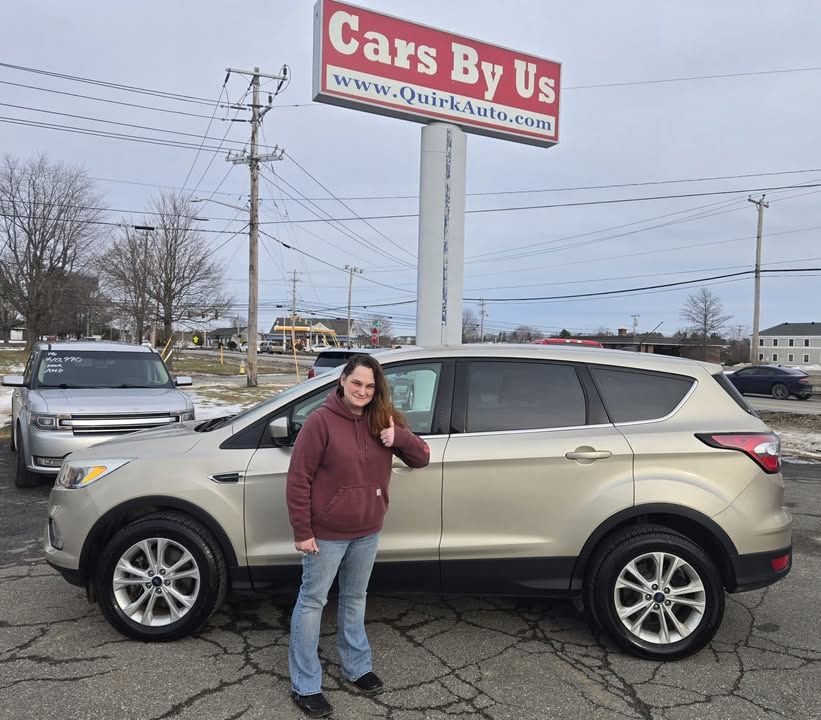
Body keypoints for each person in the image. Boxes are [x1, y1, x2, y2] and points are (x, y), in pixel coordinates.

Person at [286, 354, 431, 718]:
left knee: (354, 598)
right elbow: (299, 479)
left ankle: (356, 666)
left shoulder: (383, 419)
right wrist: (303, 531)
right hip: (327, 534)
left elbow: (422, 457)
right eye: (356, 383)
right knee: (312, 602)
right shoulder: (320, 422)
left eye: (369, 386)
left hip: (368, 530)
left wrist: (399, 436)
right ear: (342, 381)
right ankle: (305, 684)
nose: (363, 391)